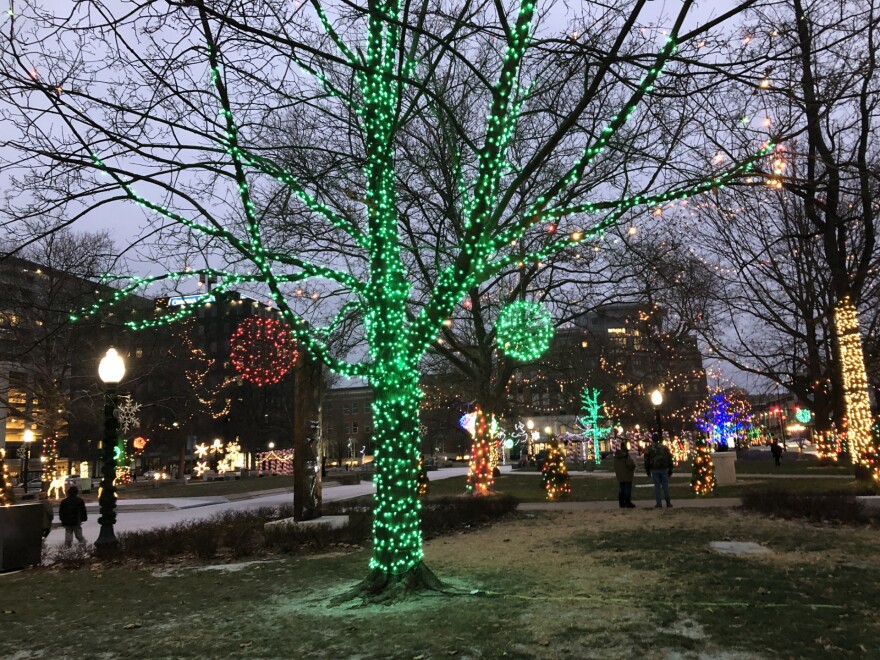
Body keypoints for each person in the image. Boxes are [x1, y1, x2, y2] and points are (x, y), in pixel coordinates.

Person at [645, 433, 673, 509]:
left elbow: (646, 460)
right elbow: (669, 458)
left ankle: (659, 503)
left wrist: (647, 470)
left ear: (652, 439)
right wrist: (670, 468)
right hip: (664, 468)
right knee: (665, 485)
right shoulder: (664, 448)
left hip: (654, 468)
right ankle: (668, 502)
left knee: (657, 486)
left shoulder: (649, 448)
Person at [613, 441, 636, 508]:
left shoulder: (616, 457)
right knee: (627, 489)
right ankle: (627, 502)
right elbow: (631, 465)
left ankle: (621, 502)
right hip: (627, 474)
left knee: (622, 489)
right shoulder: (626, 457)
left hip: (620, 475)